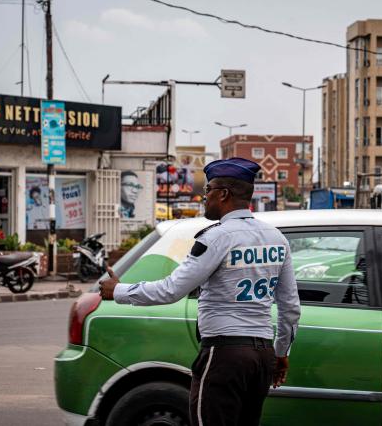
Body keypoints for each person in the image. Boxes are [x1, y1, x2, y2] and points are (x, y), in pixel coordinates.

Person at [100, 157, 301, 426]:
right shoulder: (277, 239)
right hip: (261, 356)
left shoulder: (217, 238)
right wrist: (280, 353)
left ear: (224, 194)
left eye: (208, 191)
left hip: (225, 355)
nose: (204, 198)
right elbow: (290, 306)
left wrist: (119, 291)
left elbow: (171, 290)